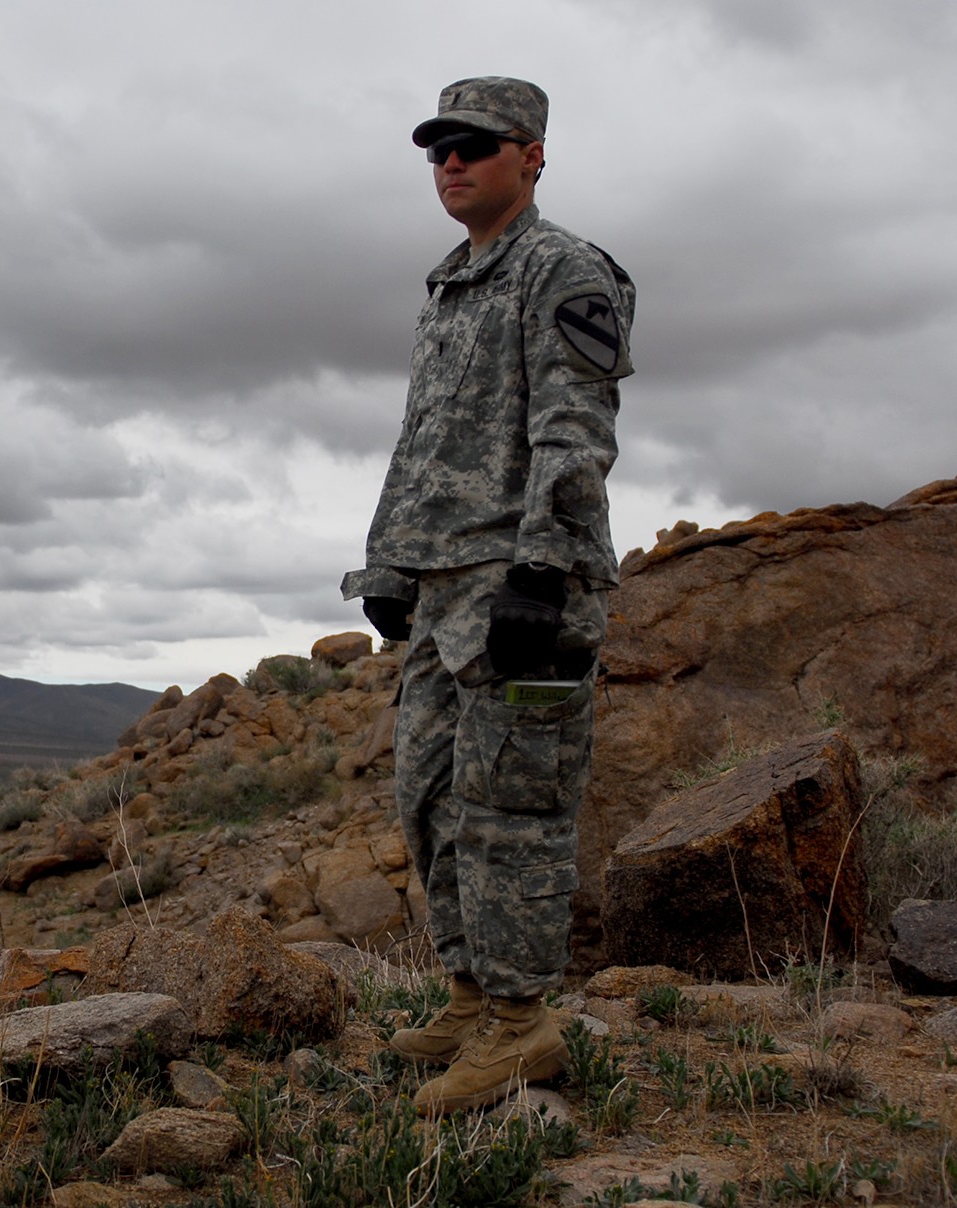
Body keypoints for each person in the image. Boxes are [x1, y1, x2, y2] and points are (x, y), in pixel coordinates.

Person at [340, 76, 635, 1114]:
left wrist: (540, 568)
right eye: (437, 148)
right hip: (442, 592)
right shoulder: (452, 282)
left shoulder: (561, 269)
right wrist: (388, 563)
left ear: (532, 155)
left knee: (512, 812)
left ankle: (524, 1025)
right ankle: (471, 994)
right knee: (427, 798)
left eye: (473, 144)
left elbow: (575, 428)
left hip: (520, 591)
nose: (450, 162)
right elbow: (424, 442)